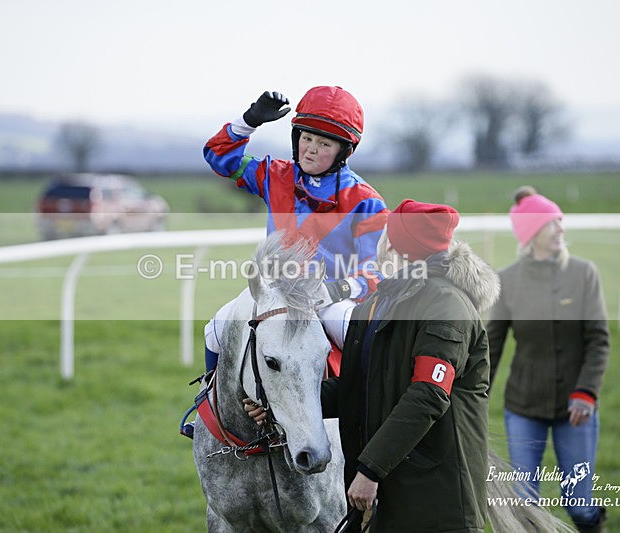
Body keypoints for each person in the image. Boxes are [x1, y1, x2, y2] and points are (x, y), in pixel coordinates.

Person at [253, 199, 499, 531]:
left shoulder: (446, 305)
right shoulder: (375, 302)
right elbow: (356, 386)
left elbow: (427, 396)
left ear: (400, 248)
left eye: (388, 234)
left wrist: (370, 470)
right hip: (388, 490)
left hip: (436, 497)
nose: (380, 242)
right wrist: (280, 403)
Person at [201, 87, 389, 372]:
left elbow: (375, 270)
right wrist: (249, 120)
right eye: (307, 137)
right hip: (272, 294)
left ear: (345, 151)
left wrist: (337, 290)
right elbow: (217, 156)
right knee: (215, 331)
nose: (311, 148)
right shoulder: (273, 174)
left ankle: (370, 413)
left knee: (362, 340)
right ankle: (208, 410)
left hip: (328, 301)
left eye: (325, 144)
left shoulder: (367, 201)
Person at [486, 186, 610, 533]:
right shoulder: (507, 281)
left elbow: (598, 341)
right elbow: (491, 348)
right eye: (552, 223)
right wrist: (475, 397)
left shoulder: (584, 274)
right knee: (524, 505)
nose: (561, 229)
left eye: (560, 221)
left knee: (580, 505)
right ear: (531, 233)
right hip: (523, 408)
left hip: (577, 409)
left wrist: (586, 391)